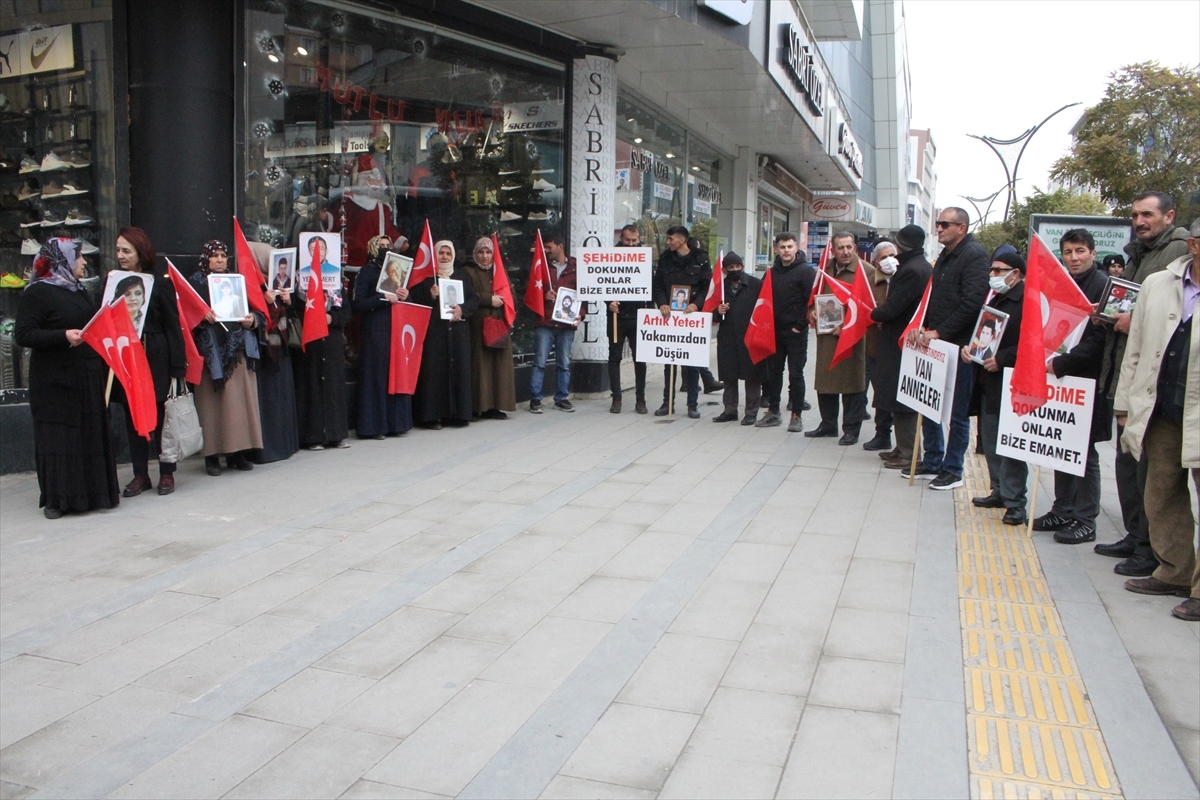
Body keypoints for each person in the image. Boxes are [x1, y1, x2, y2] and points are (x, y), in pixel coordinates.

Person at [1094, 191, 1190, 576]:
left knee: (1152, 471)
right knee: (1127, 461)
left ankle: (1153, 549)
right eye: (1134, 214)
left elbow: (1172, 317)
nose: (1139, 220)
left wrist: (1136, 321)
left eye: (1147, 214)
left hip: (1160, 383)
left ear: (1169, 216)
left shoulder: (1178, 253)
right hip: (1126, 372)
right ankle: (1136, 537)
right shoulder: (1138, 253)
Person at [1113, 217, 1199, 622]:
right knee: (1160, 493)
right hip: (1162, 409)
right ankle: (1175, 571)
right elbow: (1137, 348)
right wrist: (1125, 402)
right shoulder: (1159, 284)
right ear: (1194, 246)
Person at [15, 238, 119, 518]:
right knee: (60, 439)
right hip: (55, 381)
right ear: (61, 261)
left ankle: (93, 494)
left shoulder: (78, 290)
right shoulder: (37, 293)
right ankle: (58, 499)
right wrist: (62, 336)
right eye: (79, 257)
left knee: (87, 434)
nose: (84, 262)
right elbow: (23, 334)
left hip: (86, 375)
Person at [1033, 229, 1112, 544]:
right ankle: (1062, 509)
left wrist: (1061, 364)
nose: (1073, 258)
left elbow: (1100, 340)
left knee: (1085, 453)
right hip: (1062, 382)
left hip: (1090, 382)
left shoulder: (1103, 285)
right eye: (1067, 252)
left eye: (1080, 251)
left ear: (1093, 253)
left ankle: (1085, 519)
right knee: (1062, 447)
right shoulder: (1064, 283)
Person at [903, 207, 989, 490]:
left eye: (945, 224)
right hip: (935, 345)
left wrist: (940, 331)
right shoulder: (944, 257)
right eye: (937, 224)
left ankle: (953, 469)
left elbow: (972, 303)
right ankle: (933, 460)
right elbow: (933, 298)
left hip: (959, 347)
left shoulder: (973, 255)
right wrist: (922, 326)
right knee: (929, 403)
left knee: (957, 411)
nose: (938, 228)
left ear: (961, 228)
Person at [111, 228, 187, 495]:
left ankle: (167, 473)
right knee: (133, 419)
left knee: (162, 418)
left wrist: (178, 366)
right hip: (128, 358)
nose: (120, 255)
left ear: (140, 252)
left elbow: (173, 326)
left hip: (156, 359)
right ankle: (140, 474)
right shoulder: (116, 283)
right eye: (118, 250)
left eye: (126, 251)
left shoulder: (159, 282)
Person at [964, 251, 1029, 525]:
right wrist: (971, 349)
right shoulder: (995, 298)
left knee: (1010, 445)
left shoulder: (1028, 302)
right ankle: (999, 490)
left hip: (1011, 383)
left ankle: (1015, 502)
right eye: (991, 270)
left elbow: (1032, 343)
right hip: (987, 381)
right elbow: (983, 333)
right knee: (990, 440)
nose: (993, 275)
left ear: (1016, 273)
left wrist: (1002, 359)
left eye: (999, 270)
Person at [189, 240, 264, 476]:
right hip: (211, 356)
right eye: (215, 256)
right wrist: (201, 316)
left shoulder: (239, 281)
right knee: (212, 408)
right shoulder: (195, 284)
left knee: (238, 406)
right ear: (206, 259)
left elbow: (259, 310)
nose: (220, 260)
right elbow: (185, 316)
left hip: (238, 352)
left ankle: (237, 453)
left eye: (223, 255)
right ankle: (211, 457)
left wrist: (252, 320)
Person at [871, 225, 934, 471]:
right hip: (899, 340)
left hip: (902, 342)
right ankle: (901, 446)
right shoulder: (916, 266)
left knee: (902, 397)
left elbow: (894, 307)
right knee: (894, 394)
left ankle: (908, 451)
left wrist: (874, 312)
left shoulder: (912, 270)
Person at [806, 231, 870, 445]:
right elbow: (815, 298)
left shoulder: (866, 272)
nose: (845, 251)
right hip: (826, 338)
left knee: (852, 384)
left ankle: (851, 429)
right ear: (832, 250)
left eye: (849, 247)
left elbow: (872, 308)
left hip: (852, 338)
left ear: (855, 248)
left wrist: (848, 327)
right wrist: (813, 312)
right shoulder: (824, 271)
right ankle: (828, 424)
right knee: (826, 381)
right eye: (841, 247)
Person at [292, 236, 352, 451]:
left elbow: (347, 312)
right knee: (312, 386)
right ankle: (313, 436)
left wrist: (331, 319)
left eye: (322, 248)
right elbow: (297, 311)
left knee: (334, 387)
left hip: (332, 341)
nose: (319, 251)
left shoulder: (335, 280)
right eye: (313, 248)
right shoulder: (302, 280)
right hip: (312, 340)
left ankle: (337, 434)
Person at [351, 235, 414, 439]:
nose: (385, 248)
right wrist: (382, 298)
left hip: (396, 330)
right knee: (376, 379)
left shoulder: (398, 271)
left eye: (388, 246)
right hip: (374, 333)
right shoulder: (366, 272)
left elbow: (408, 304)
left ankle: (397, 423)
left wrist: (406, 297)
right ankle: (375, 427)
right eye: (381, 246)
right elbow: (357, 304)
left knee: (395, 376)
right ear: (372, 248)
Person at [411, 240, 478, 427]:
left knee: (458, 370)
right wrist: (430, 296)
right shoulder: (427, 277)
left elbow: (474, 300)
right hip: (435, 332)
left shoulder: (461, 276)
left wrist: (462, 310)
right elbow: (414, 299)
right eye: (441, 253)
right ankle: (433, 416)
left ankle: (458, 414)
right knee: (435, 372)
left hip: (457, 331)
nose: (445, 257)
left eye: (448, 253)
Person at [248, 241, 300, 463]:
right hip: (265, 353)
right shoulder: (252, 283)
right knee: (267, 401)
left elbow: (288, 316)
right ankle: (267, 449)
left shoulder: (279, 282)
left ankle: (284, 445)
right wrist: (264, 302)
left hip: (281, 350)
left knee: (280, 397)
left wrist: (287, 300)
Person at [652, 225, 710, 419]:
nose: (668, 242)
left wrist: (697, 304)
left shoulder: (700, 258)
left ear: (682, 240)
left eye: (671, 239)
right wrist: (661, 303)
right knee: (669, 361)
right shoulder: (665, 259)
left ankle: (692, 404)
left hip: (691, 316)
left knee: (692, 362)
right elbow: (658, 284)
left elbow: (706, 286)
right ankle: (667, 402)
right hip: (670, 316)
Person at [758, 232, 815, 431]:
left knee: (796, 374)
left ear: (796, 248)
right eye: (782, 247)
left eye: (790, 246)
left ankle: (796, 415)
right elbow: (762, 300)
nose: (786, 250)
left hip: (796, 332)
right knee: (774, 373)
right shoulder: (771, 273)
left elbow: (811, 302)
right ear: (776, 249)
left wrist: (799, 326)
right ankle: (773, 412)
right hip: (774, 331)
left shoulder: (806, 272)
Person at [529, 230, 585, 413]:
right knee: (539, 361)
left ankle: (561, 397)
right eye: (544, 247)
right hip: (545, 320)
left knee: (564, 362)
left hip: (566, 323)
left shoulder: (577, 266)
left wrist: (580, 315)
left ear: (560, 246)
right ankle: (535, 399)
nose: (546, 250)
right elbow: (530, 290)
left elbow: (584, 295)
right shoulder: (540, 265)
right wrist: (543, 295)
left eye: (549, 247)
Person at [463, 236, 516, 420]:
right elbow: (466, 295)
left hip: (499, 325)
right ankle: (478, 406)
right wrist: (488, 299)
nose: (485, 256)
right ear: (475, 254)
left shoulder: (499, 272)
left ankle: (495, 406)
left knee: (498, 367)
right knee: (480, 367)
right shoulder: (468, 272)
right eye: (481, 252)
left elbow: (511, 295)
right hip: (478, 326)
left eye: (488, 252)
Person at [712, 252, 768, 425]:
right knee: (729, 374)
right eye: (731, 268)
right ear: (724, 269)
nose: (735, 270)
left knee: (752, 375)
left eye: (738, 267)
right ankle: (730, 410)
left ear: (742, 267)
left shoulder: (756, 284)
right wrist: (718, 311)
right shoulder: (719, 288)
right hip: (728, 336)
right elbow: (709, 311)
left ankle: (751, 412)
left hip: (750, 335)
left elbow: (764, 308)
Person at [607, 224, 649, 414]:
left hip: (639, 316)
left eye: (634, 240)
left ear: (639, 239)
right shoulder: (609, 257)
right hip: (617, 316)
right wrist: (608, 301)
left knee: (640, 359)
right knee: (614, 357)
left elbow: (651, 288)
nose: (631, 244)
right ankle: (616, 398)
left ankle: (641, 399)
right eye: (627, 240)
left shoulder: (646, 259)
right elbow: (600, 283)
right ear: (621, 239)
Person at [862, 241, 896, 451]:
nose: (890, 260)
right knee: (881, 393)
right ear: (876, 262)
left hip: (899, 347)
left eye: (893, 255)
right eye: (884, 257)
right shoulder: (869, 282)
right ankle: (882, 433)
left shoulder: (905, 279)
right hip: (876, 345)